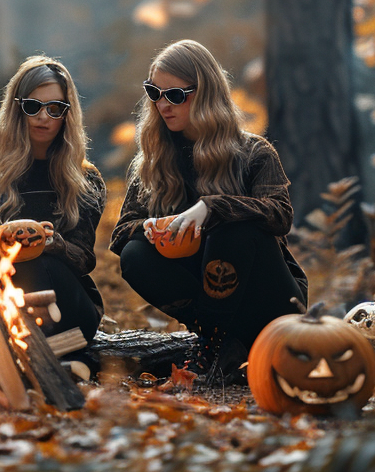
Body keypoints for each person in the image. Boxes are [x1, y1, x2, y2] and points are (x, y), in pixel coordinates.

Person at [110, 39, 308, 379]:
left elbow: (280, 215)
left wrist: (212, 208)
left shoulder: (253, 153)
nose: (162, 105)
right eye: (154, 92)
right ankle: (218, 340)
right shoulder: (155, 161)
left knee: (234, 228)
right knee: (134, 254)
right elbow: (121, 232)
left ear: (205, 94)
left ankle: (218, 343)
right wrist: (153, 227)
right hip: (210, 308)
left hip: (271, 299)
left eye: (175, 95)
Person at [0, 56, 106, 344]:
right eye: (33, 106)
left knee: (39, 262)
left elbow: (84, 260)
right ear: (17, 110)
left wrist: (52, 244)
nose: (43, 117)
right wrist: (0, 240)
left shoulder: (85, 180)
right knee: (21, 266)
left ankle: (53, 351)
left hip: (69, 307)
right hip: (2, 305)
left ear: (67, 114)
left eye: (55, 108)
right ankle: (43, 357)